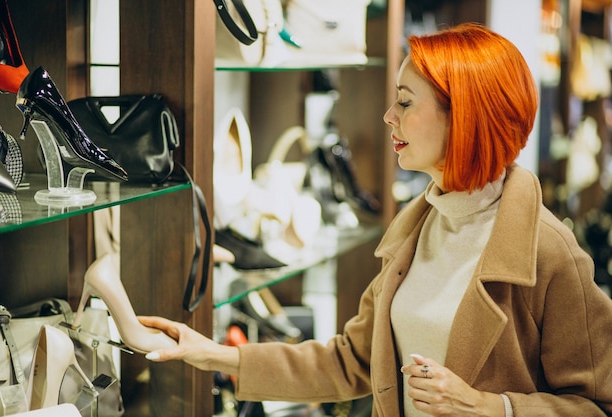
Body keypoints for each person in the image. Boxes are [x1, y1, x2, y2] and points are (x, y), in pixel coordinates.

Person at [140, 23, 612, 416]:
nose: (388, 116)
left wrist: (493, 407)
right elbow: (352, 361)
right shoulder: (417, 230)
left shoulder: (548, 252)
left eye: (405, 102)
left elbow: (596, 404)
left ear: (464, 116)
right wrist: (211, 353)